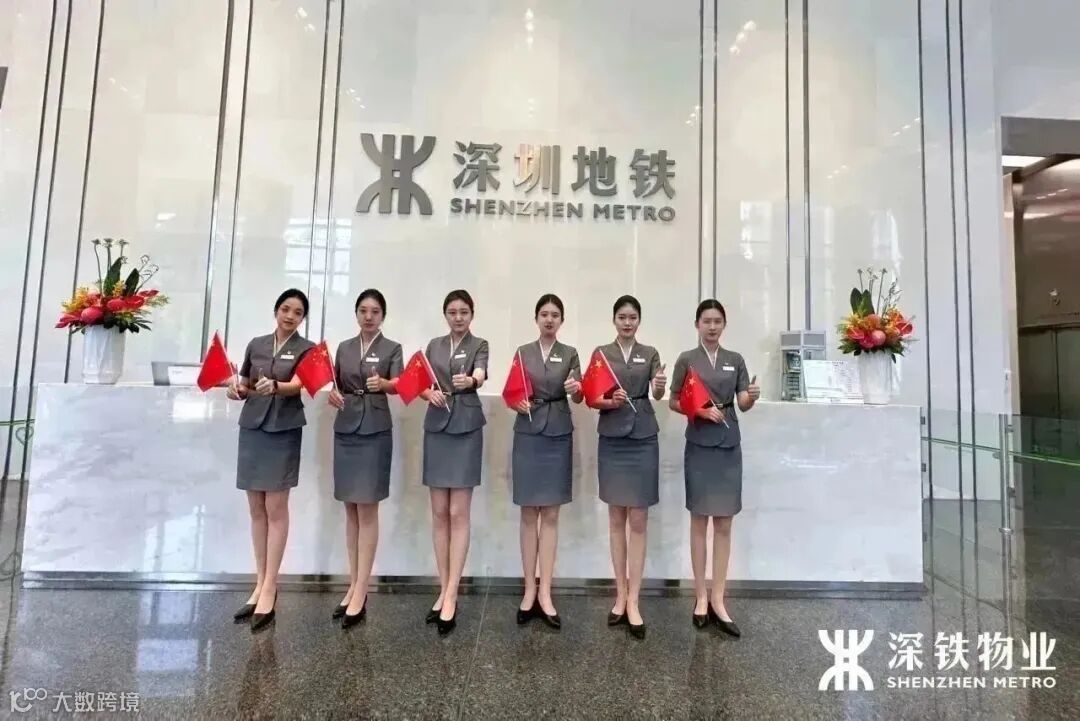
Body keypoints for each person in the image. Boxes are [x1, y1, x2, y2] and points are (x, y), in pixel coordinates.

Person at [669, 299, 760, 637]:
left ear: (724, 325)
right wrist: (699, 411)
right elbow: (674, 401)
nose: (711, 326)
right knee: (699, 521)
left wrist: (752, 396)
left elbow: (743, 403)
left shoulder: (735, 359)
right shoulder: (686, 360)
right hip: (699, 443)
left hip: (728, 445)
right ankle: (700, 597)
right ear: (697, 325)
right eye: (706, 321)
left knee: (723, 524)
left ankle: (719, 598)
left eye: (717, 321)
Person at [227, 289, 316, 632]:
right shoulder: (257, 344)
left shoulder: (307, 348)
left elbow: (300, 385)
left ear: (302, 318)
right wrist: (236, 390)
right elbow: (245, 384)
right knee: (256, 509)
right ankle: (260, 581)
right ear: (276, 311)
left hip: (283, 429)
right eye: (285, 309)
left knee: (276, 508)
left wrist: (277, 386)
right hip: (253, 428)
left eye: (297, 312)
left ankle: (270, 587)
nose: (290, 316)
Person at [588, 295, 666, 640]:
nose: (627, 322)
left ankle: (635, 598)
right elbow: (592, 398)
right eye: (622, 317)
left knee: (638, 519)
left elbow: (658, 394)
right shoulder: (601, 354)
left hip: (643, 437)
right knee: (616, 518)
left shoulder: (650, 353)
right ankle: (619, 594)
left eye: (633, 317)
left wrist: (659, 387)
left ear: (639, 321)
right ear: (614, 320)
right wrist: (609, 400)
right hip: (612, 438)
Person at [327, 289, 403, 628]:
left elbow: (401, 384)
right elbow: (335, 383)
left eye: (374, 311)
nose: (368, 316)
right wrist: (332, 394)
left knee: (368, 509)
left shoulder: (392, 348)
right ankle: (353, 582)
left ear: (383, 316)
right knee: (350, 509)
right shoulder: (344, 348)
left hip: (375, 428)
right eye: (363, 310)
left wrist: (384, 382)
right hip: (346, 427)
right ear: (356, 314)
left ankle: (362, 588)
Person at [509, 294, 582, 630]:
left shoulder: (570, 353)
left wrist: (576, 388)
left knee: (550, 514)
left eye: (555, 315)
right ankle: (528, 590)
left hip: (558, 433)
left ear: (561, 320)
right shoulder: (523, 352)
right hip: (528, 431)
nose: (549, 319)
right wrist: (516, 401)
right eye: (544, 314)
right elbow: (512, 392)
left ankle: (546, 592)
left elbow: (580, 395)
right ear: (536, 319)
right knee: (528, 514)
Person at [420, 289, 489, 635]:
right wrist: (427, 392)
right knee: (439, 512)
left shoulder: (480, 344)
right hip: (437, 427)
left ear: (471, 314)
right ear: (445, 314)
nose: (458, 317)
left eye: (464, 311)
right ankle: (443, 586)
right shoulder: (434, 346)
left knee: (459, 512)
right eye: (452, 312)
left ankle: (452, 592)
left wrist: (472, 380)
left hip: (466, 428)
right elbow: (419, 382)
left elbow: (481, 374)